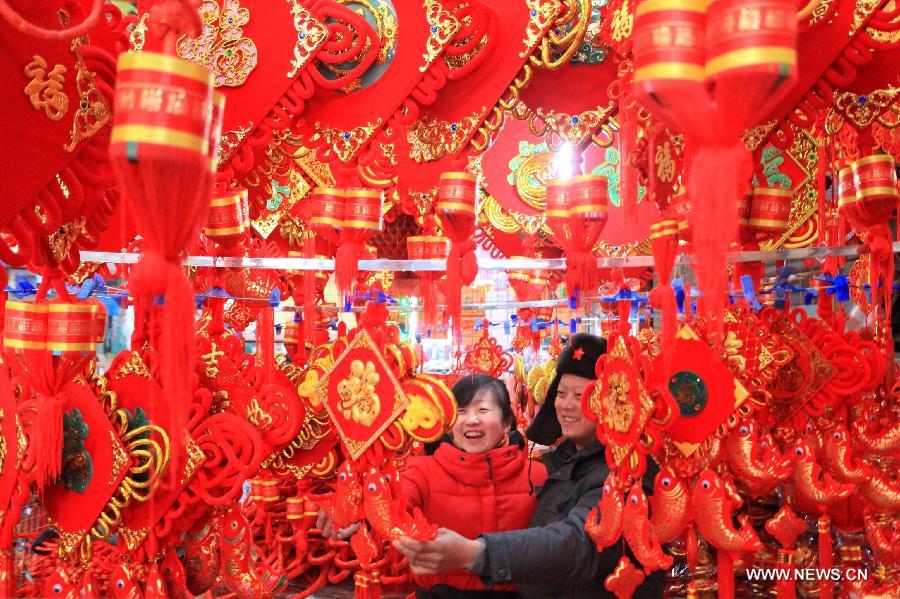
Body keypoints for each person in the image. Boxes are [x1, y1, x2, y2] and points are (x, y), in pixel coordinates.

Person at [393, 334, 665, 599]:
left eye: (582, 395)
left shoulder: (624, 470)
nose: (567, 405)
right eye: (561, 393)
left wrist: (475, 553)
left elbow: (575, 544)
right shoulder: (560, 463)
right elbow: (400, 497)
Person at [319, 374, 546, 599]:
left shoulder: (537, 475)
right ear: (448, 424)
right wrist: (360, 511)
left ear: (507, 423)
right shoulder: (422, 471)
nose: (471, 420)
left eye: (483, 410)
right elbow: (396, 501)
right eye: (461, 412)